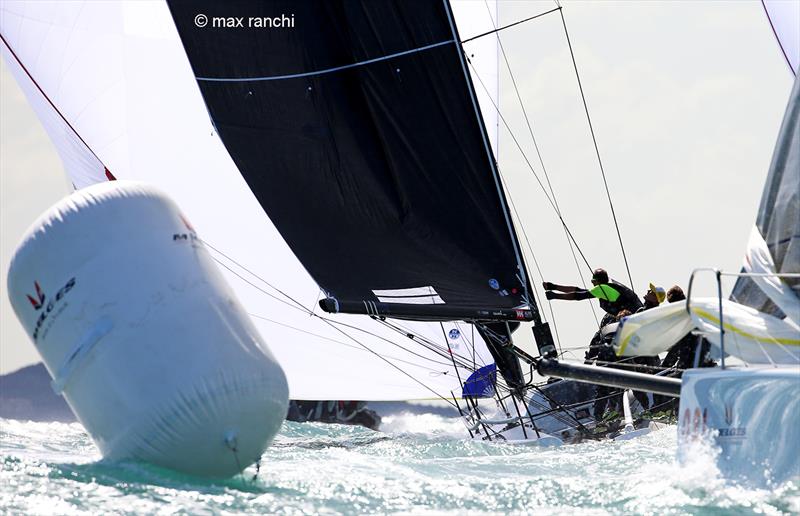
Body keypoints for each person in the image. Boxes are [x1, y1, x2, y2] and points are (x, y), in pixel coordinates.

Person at [544, 268, 643, 327]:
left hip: (633, 318)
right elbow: (580, 290)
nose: (592, 283)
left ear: (596, 281)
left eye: (592, 281)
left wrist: (555, 296)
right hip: (635, 315)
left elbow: (578, 295)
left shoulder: (602, 288)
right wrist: (554, 286)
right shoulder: (608, 287)